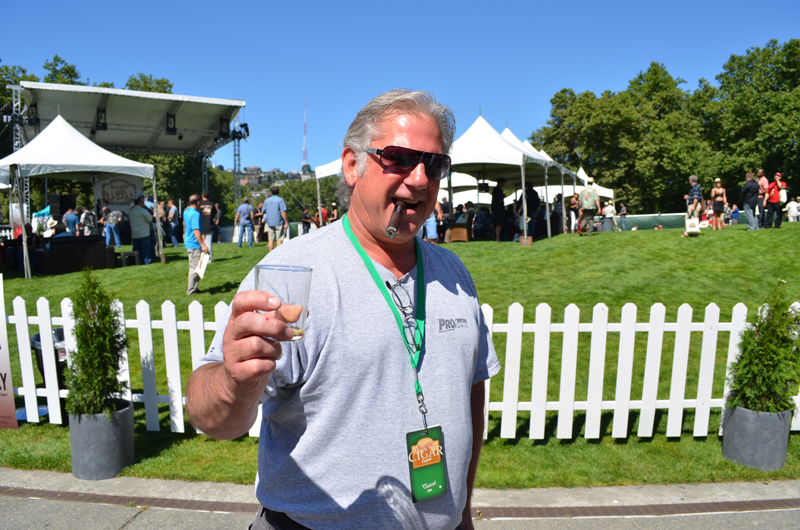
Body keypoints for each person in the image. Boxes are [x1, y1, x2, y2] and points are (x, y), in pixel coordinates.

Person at [186, 89, 499, 530]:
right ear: (353, 165)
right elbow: (209, 416)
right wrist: (234, 381)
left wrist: (463, 512)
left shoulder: (453, 273)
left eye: (434, 165)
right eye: (400, 158)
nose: (421, 180)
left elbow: (470, 390)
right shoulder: (291, 272)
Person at [183, 194, 208, 295]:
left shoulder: (186, 211)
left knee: (192, 266)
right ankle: (192, 290)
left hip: (189, 242)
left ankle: (192, 287)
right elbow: (196, 231)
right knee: (195, 268)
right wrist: (203, 245)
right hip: (194, 244)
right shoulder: (195, 214)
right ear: (198, 202)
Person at [129, 194, 154, 265]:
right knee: (145, 248)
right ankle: (146, 261)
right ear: (140, 203)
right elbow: (150, 219)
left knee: (136, 249)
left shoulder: (131, 211)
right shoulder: (143, 211)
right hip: (144, 232)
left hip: (135, 233)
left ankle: (136, 261)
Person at [262, 186, 289, 252]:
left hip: (270, 222)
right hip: (278, 222)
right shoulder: (280, 200)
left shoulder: (266, 200)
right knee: (279, 238)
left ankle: (270, 254)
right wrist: (286, 221)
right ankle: (278, 254)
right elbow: (283, 212)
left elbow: (263, 211)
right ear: (278, 192)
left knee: (271, 239)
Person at [200, 191, 217, 262]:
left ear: (201, 196)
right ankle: (209, 260)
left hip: (200, 226)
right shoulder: (212, 205)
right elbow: (215, 213)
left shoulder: (199, 204)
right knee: (208, 243)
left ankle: (201, 259)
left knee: (200, 243)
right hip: (209, 226)